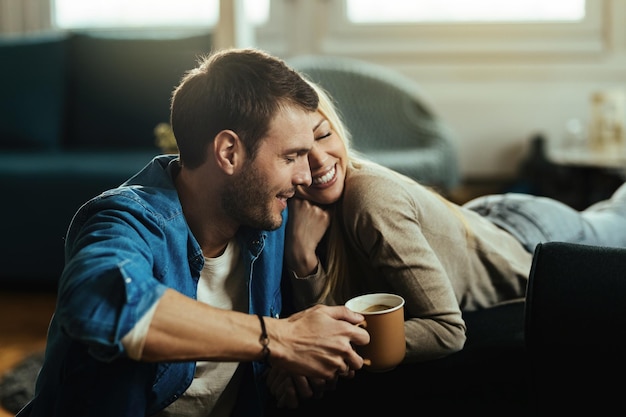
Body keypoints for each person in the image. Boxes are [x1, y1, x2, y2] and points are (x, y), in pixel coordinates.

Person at [16, 48, 370, 417]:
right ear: (229, 152)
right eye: (291, 157)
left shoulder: (268, 214)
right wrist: (279, 338)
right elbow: (100, 305)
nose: (305, 176)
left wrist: (285, 362)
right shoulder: (123, 219)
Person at [267, 79, 626, 412]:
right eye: (297, 153)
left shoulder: (369, 200)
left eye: (324, 134)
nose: (317, 160)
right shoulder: (293, 214)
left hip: (523, 235)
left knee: (618, 218)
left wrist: (327, 349)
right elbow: (330, 310)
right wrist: (304, 261)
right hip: (465, 227)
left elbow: (447, 330)